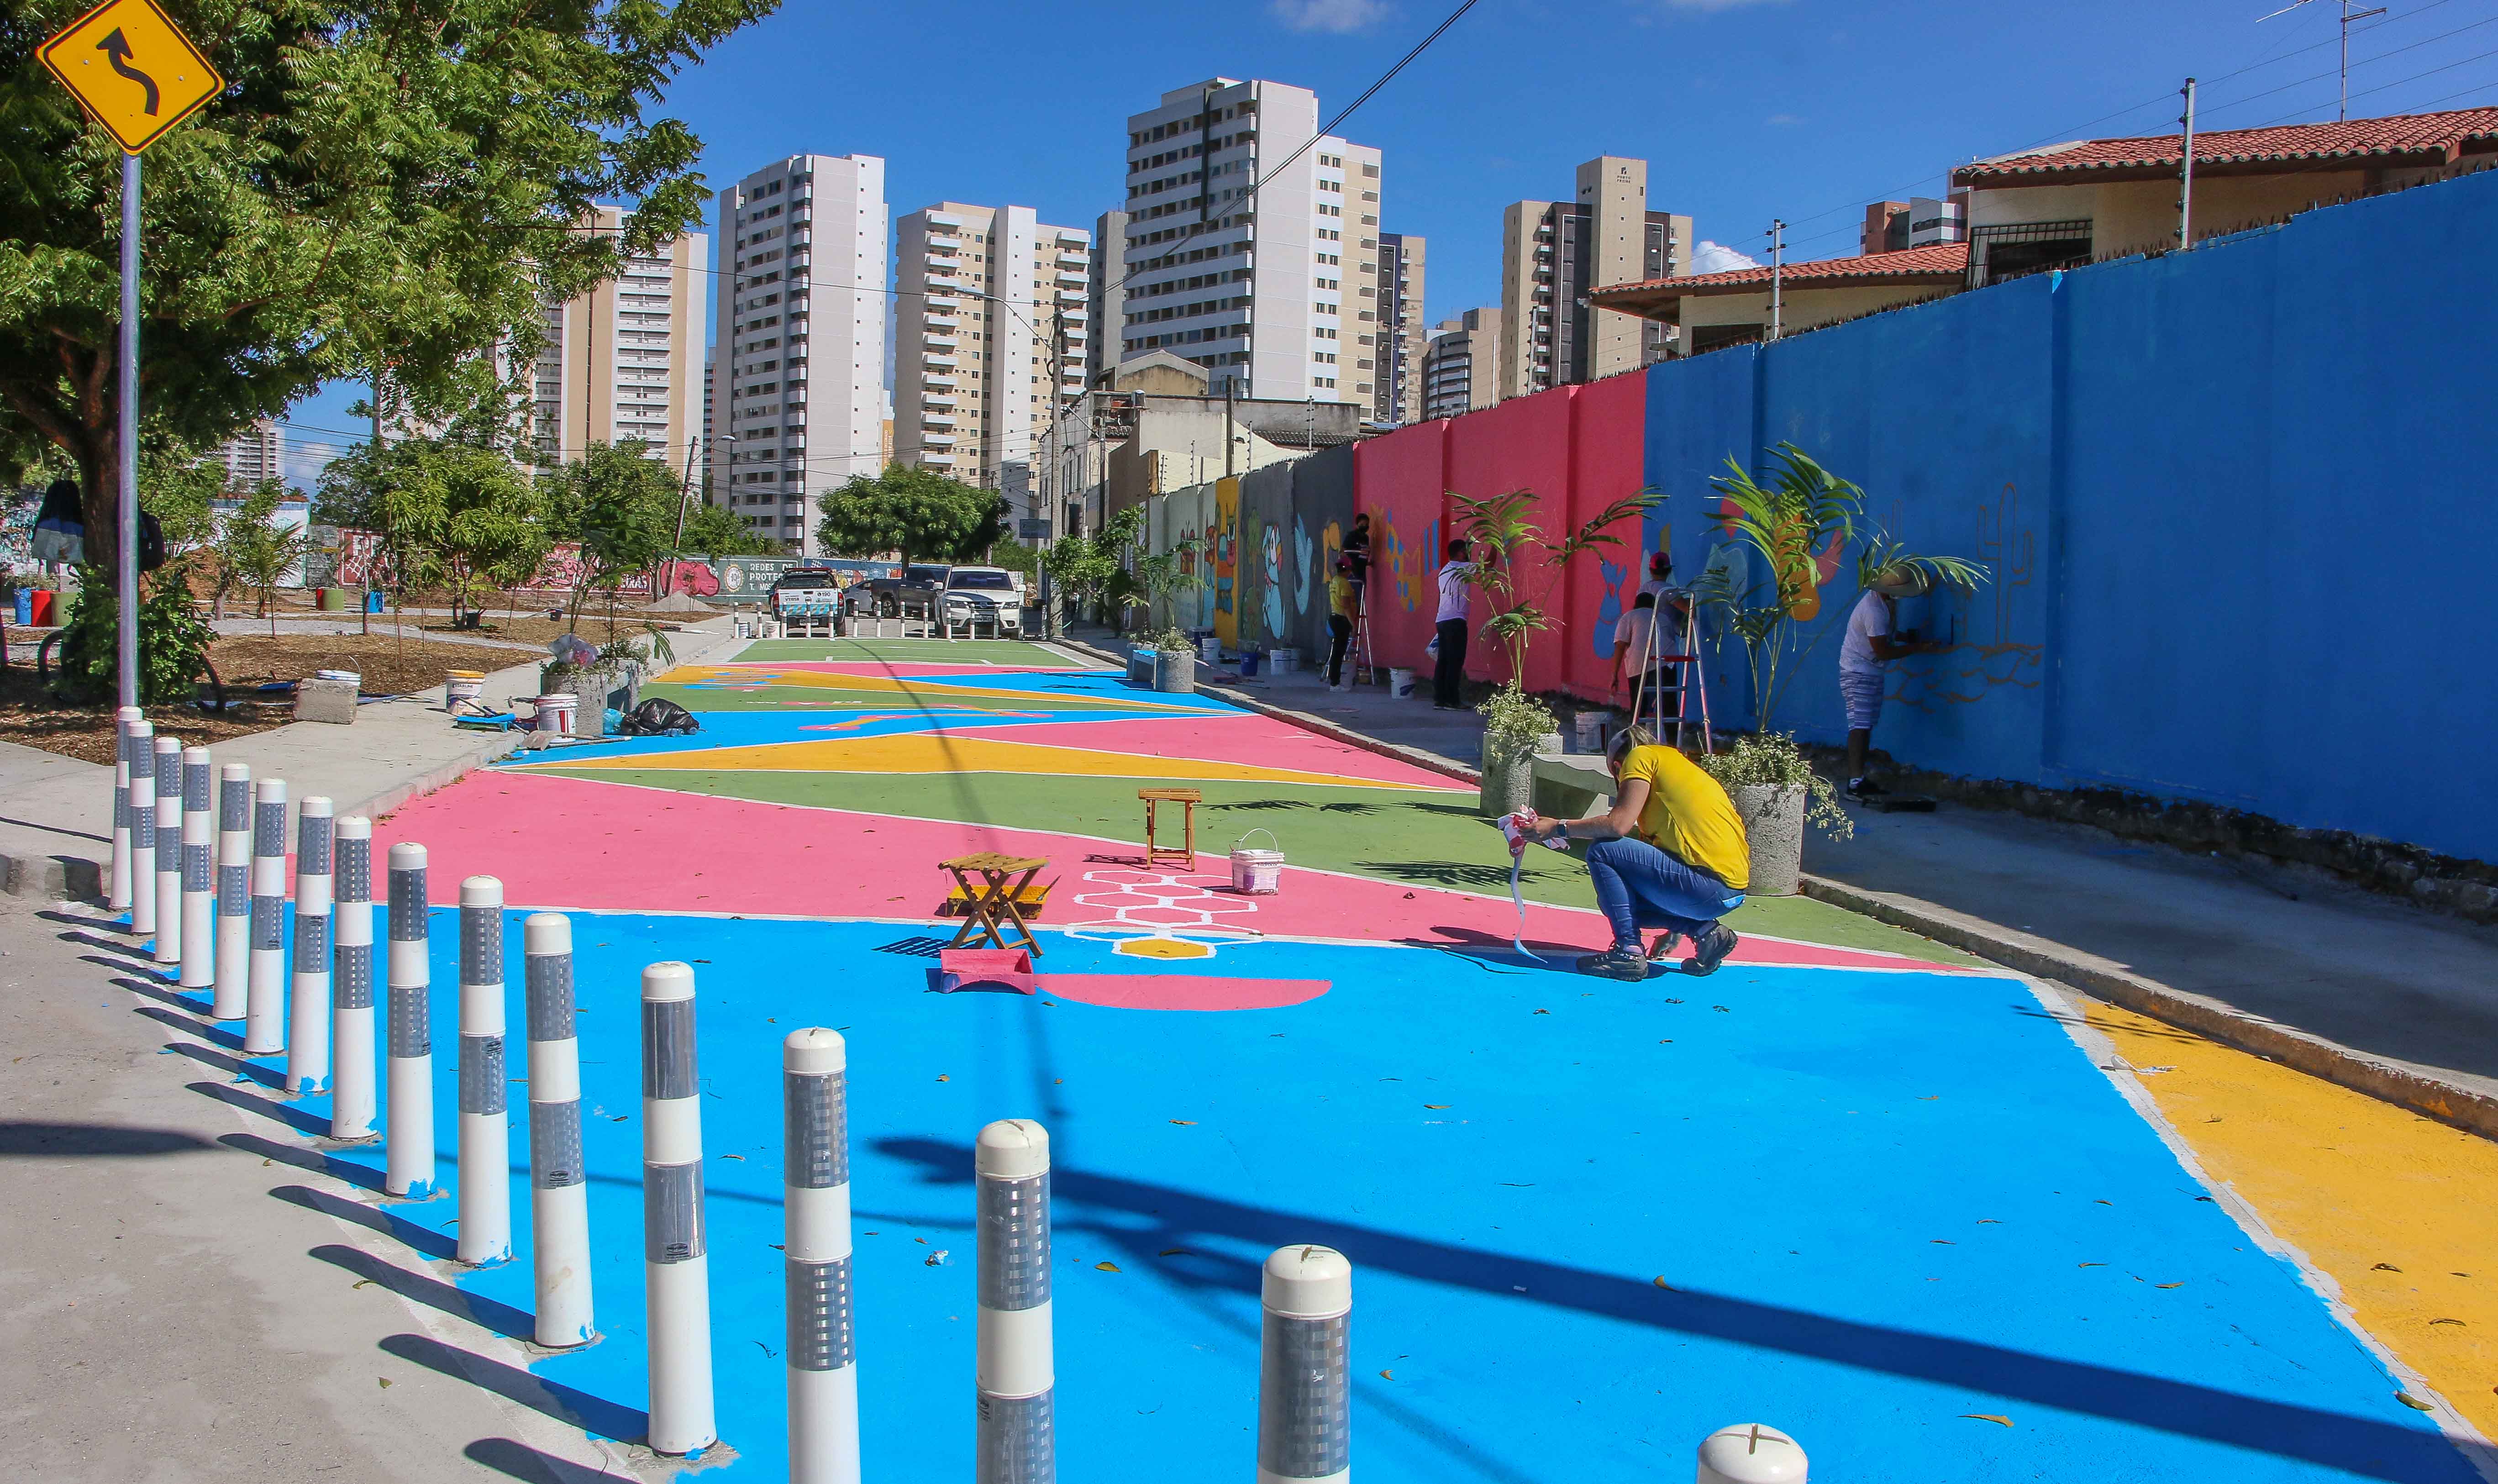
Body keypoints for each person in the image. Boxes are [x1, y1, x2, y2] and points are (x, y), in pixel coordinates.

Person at [1520, 725, 1748, 980]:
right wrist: (1673, 931)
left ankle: (1627, 953)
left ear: (1618, 767)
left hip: (1706, 887)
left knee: (1604, 850)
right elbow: (1677, 860)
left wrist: (1558, 827)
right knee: (1618, 901)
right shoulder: (1678, 766)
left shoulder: (1639, 757)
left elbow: (1618, 825)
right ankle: (1706, 931)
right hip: (1729, 893)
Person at [1840, 565, 1946, 800]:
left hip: (1869, 670)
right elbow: (1883, 651)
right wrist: (1918, 648)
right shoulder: (1875, 610)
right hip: (1859, 672)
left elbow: (1881, 636)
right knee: (1859, 725)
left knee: (1865, 725)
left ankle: (1859, 780)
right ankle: (1855, 783)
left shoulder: (1886, 603)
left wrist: (1903, 638)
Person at [1609, 590, 1685, 726]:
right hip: (1666, 663)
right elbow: (1671, 640)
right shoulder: (1663, 618)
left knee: (1639, 706)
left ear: (1636, 605)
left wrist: (1614, 675)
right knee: (1669, 704)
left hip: (1639, 665)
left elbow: (1620, 646)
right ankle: (1673, 742)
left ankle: (1639, 740)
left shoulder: (1629, 617)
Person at [1431, 537, 1473, 710]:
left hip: (1442, 620)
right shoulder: (1462, 568)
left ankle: (1440, 699)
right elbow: (1489, 565)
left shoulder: (1445, 570)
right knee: (1455, 661)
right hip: (1456, 620)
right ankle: (1452, 700)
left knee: (1444, 660)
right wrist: (1494, 545)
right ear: (1461, 553)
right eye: (1466, 551)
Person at [1325, 555, 1360, 690]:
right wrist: (1353, 624)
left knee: (1337, 652)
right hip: (1341, 620)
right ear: (1347, 569)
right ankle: (1335, 683)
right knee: (1339, 653)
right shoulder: (1344, 583)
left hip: (1335, 618)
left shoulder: (1334, 581)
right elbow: (1346, 605)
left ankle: (1334, 681)